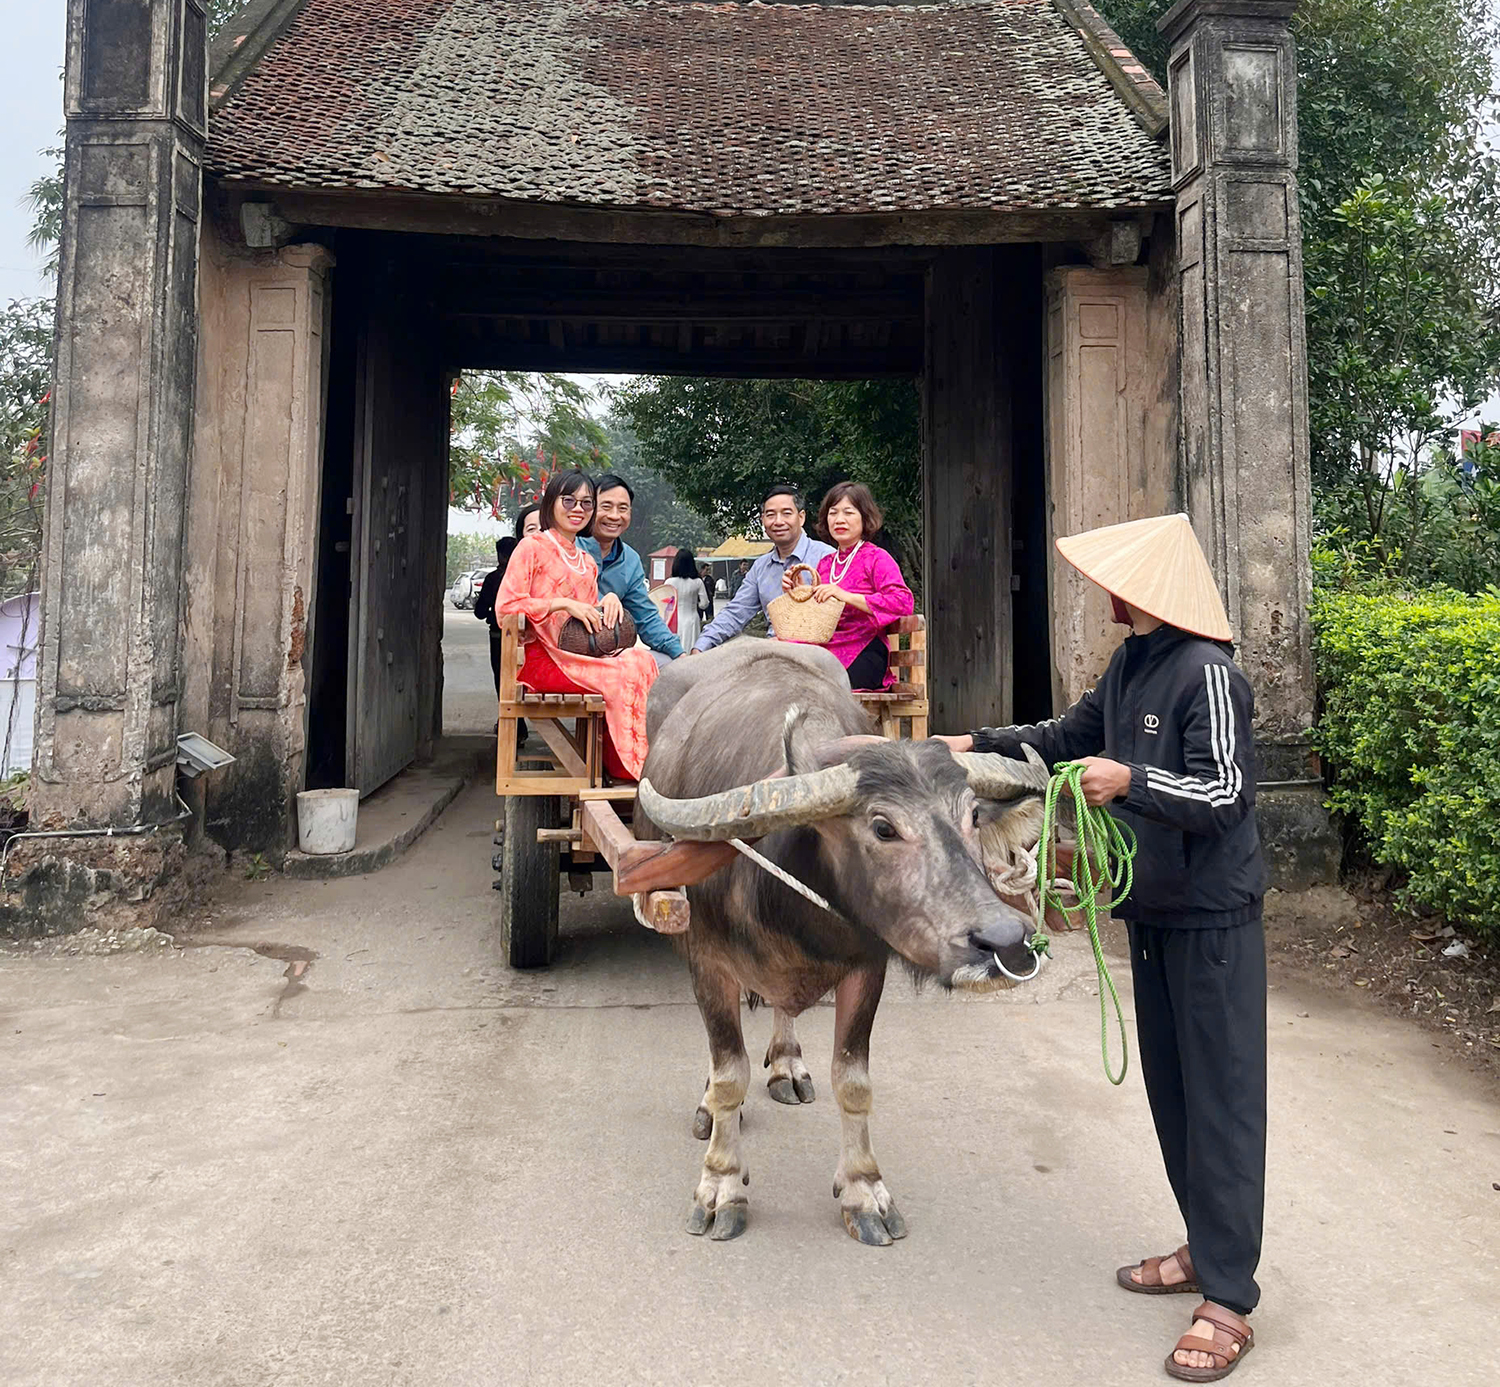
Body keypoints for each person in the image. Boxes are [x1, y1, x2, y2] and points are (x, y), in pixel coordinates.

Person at [935, 513, 1266, 1383]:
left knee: (1223, 1100)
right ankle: (1205, 1245)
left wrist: (1134, 779)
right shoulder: (1132, 665)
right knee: (1173, 1094)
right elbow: (1063, 737)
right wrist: (966, 744)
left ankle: (1229, 1296)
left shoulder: (1210, 674)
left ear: (1150, 591)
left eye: (1116, 583)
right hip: (1150, 908)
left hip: (1212, 915)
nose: (1106, 596)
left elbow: (1226, 791)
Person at [496, 471, 658, 781]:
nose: (578, 509)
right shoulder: (532, 547)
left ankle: (625, 763)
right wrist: (560, 603)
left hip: (577, 655)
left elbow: (585, 621)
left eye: (586, 503)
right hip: (538, 659)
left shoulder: (587, 561)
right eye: (568, 500)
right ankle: (628, 769)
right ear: (551, 503)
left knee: (641, 659)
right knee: (620, 673)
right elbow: (506, 608)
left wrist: (608, 600)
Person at [781, 481, 913, 690]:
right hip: (826, 647)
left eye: (848, 512)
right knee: (774, 663)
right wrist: (799, 592)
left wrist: (846, 596)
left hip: (865, 650)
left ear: (864, 517)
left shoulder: (877, 558)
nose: (839, 520)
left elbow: (902, 602)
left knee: (811, 686)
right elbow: (818, 618)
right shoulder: (826, 563)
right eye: (833, 513)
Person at [692, 485, 834, 651]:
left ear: (801, 517)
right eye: (771, 515)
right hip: (773, 655)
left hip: (820, 656)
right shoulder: (761, 567)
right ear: (763, 520)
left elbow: (843, 619)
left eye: (786, 513)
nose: (778, 521)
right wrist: (701, 646)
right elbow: (736, 612)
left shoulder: (827, 557)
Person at [578, 473, 682, 666]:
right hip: (569, 648)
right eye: (606, 506)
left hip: (610, 651)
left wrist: (680, 654)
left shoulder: (631, 560)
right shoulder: (570, 546)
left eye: (623, 508)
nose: (615, 516)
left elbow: (646, 617)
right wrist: (601, 602)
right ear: (589, 508)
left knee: (670, 664)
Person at [665, 549, 711, 652]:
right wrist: (695, 605)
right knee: (691, 648)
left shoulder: (669, 582)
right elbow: (704, 604)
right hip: (692, 619)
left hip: (675, 620)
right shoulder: (697, 582)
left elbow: (665, 604)